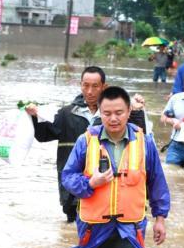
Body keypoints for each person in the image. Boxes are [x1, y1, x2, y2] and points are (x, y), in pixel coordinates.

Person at [61, 86, 170, 248]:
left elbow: (157, 182)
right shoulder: (86, 141)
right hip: (92, 229)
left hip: (129, 231)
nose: (113, 118)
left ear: (128, 112)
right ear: (100, 113)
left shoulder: (145, 143)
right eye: (107, 113)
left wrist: (160, 219)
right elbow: (68, 177)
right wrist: (91, 183)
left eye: (119, 112)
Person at [25, 66, 147, 223]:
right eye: (85, 85)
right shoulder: (66, 113)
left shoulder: (114, 115)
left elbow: (140, 138)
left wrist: (136, 111)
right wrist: (34, 117)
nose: (89, 91)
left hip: (107, 191)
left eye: (95, 86)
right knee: (73, 231)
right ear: (80, 85)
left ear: (104, 87)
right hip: (73, 192)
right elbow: (44, 135)